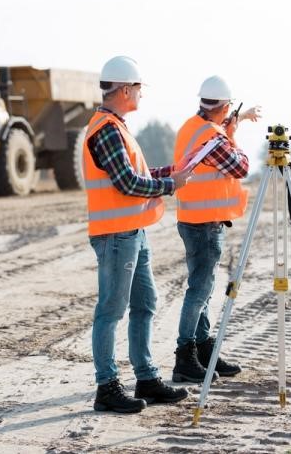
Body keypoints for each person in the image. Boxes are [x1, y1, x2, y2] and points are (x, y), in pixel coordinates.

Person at [85, 56, 194, 413]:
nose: (142, 95)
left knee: (145, 304)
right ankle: (107, 387)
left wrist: (171, 172)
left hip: (132, 233)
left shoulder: (117, 127)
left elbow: (137, 173)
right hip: (116, 236)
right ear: (126, 89)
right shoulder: (106, 130)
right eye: (140, 89)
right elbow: (128, 182)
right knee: (111, 311)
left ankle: (145, 377)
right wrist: (168, 184)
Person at [171, 75, 261, 383]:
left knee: (203, 290)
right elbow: (242, 166)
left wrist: (237, 120)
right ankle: (185, 356)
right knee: (199, 291)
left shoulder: (189, 127)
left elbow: (217, 134)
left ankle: (204, 350)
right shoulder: (214, 136)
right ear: (223, 106)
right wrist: (234, 132)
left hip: (190, 218)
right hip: (205, 224)